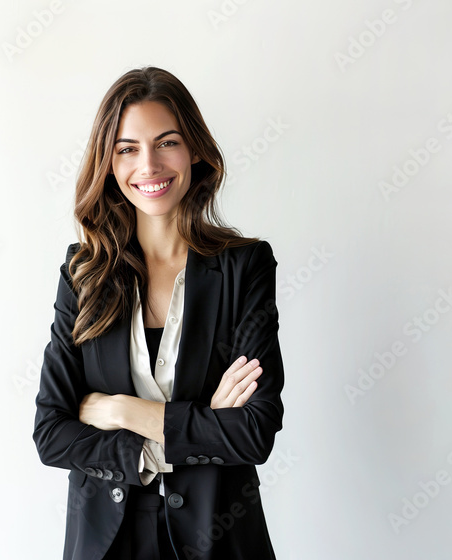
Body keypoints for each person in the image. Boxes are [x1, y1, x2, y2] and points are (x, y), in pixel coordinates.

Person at [33, 66, 284, 560]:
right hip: (105, 544)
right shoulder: (83, 273)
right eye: (127, 148)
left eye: (166, 142)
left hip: (220, 541)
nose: (148, 165)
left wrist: (121, 410)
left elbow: (254, 432)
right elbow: (52, 433)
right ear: (108, 163)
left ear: (193, 150)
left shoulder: (244, 268)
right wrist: (202, 426)